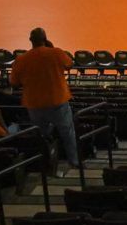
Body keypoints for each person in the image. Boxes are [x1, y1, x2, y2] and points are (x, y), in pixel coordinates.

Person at [10, 27, 78, 170]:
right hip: (57, 101)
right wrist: (52, 48)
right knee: (67, 133)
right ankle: (73, 161)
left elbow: (14, 83)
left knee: (41, 136)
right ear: (45, 39)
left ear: (30, 40)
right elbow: (70, 64)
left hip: (34, 104)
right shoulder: (56, 53)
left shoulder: (21, 59)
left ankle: (46, 163)